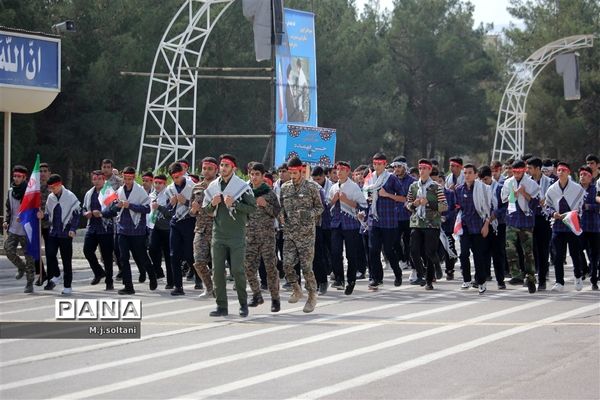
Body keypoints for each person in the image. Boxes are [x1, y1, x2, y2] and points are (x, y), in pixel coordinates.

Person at [203, 154, 256, 317]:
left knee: (237, 271)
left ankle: (243, 304)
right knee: (217, 272)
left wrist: (235, 203)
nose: (223, 168)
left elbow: (252, 208)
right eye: (222, 165)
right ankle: (221, 306)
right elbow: (206, 210)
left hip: (236, 235)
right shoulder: (213, 186)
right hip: (218, 235)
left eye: (227, 165)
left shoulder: (241, 186)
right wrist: (212, 204)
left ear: (233, 168)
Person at [280, 157, 323, 312]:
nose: (292, 175)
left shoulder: (311, 187)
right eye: (290, 172)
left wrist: (308, 214)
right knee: (286, 264)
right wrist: (281, 215)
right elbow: (281, 208)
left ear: (301, 171)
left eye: (295, 172)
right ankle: (296, 288)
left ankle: (312, 295)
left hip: (306, 234)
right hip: (290, 233)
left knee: (306, 267)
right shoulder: (285, 188)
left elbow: (320, 208)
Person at [105, 167, 157, 295]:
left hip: (137, 230)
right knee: (123, 258)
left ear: (133, 178)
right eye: (125, 178)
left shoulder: (140, 191)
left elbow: (147, 209)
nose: (127, 181)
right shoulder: (120, 190)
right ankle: (128, 286)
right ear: (122, 177)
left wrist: (130, 206)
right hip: (122, 229)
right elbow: (113, 207)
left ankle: (152, 275)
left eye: (130, 178)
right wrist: (117, 206)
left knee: (142, 256)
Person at [363, 152, 406, 290]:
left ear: (385, 164)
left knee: (388, 250)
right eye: (375, 163)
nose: (377, 166)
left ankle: (398, 274)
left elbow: (403, 197)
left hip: (389, 221)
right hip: (373, 220)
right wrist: (367, 198)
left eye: (379, 164)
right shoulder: (370, 178)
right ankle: (376, 278)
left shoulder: (391, 178)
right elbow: (365, 193)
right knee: (373, 250)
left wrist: (387, 195)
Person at [244, 162, 282, 311]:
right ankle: (256, 294)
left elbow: (277, 212)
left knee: (270, 268)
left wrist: (265, 204)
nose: (254, 177)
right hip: (250, 236)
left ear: (262, 176)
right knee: (248, 267)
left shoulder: (269, 193)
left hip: (267, 236)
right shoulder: (246, 193)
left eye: (257, 174)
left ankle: (275, 299)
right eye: (252, 174)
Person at [405, 160, 448, 290]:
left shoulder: (435, 187)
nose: (422, 171)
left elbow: (444, 206)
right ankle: (422, 273)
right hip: (417, 222)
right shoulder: (413, 186)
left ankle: (431, 276)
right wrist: (414, 204)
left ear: (429, 170)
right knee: (413, 250)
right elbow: (407, 204)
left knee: (430, 252)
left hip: (431, 223)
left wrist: (428, 203)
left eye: (424, 168)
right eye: (420, 168)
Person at [328, 161, 368, 295]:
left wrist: (346, 200)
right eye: (337, 169)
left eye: (342, 169)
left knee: (351, 254)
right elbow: (328, 206)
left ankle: (351, 280)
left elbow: (363, 206)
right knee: (335, 252)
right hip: (336, 223)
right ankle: (339, 278)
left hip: (350, 223)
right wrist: (333, 200)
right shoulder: (333, 187)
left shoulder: (354, 187)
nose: (339, 172)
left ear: (348, 171)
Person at [500, 160, 540, 293]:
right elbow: (504, 199)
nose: (516, 174)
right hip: (512, 219)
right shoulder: (508, 182)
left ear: (524, 170)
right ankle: (516, 274)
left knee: (528, 252)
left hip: (526, 221)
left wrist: (523, 193)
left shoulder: (531, 183)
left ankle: (530, 278)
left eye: (519, 171)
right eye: (514, 172)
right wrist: (513, 194)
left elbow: (536, 204)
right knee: (509, 248)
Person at [545, 162, 586, 292]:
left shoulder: (577, 188)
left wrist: (573, 214)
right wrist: (553, 213)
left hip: (572, 224)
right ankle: (559, 282)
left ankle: (578, 276)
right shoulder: (552, 189)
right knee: (558, 255)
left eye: (563, 170)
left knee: (575, 253)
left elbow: (581, 206)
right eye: (558, 170)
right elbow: (547, 206)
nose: (560, 172)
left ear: (568, 172)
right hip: (558, 225)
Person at [40, 174, 81, 295]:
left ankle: (67, 286)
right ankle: (56, 274)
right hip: (53, 231)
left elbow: (76, 214)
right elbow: (48, 214)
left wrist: (73, 229)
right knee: (50, 254)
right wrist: (43, 216)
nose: (51, 190)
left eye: (53, 187)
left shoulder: (70, 196)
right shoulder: (50, 197)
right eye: (50, 188)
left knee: (66, 260)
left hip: (66, 232)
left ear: (59, 185)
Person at [455, 164, 493, 294]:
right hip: (465, 226)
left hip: (479, 226)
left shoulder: (484, 189)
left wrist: (486, 224)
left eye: (470, 172)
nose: (467, 175)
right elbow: (458, 207)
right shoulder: (459, 189)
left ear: (476, 174)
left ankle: (481, 282)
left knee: (478, 256)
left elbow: (489, 208)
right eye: (465, 173)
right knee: (463, 254)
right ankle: (466, 279)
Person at [165, 162, 195, 296]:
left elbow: (198, 206)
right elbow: (167, 210)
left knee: (189, 254)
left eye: (178, 176)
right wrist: (171, 204)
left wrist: (186, 202)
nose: (176, 179)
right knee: (174, 255)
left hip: (189, 221)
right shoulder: (169, 189)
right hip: (175, 223)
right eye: (173, 177)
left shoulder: (192, 186)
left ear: (182, 173)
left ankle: (199, 277)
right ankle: (178, 286)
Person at [3, 165, 35, 293]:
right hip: (13, 228)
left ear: (24, 177)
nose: (16, 178)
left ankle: (29, 282)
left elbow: (34, 210)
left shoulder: (30, 192)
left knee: (29, 257)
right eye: (15, 176)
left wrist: (25, 216)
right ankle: (21, 267)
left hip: (26, 229)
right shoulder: (11, 191)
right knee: (8, 250)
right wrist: (6, 220)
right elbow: (8, 208)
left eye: (19, 176)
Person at [190, 157, 219, 298]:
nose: (206, 171)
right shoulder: (197, 187)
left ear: (216, 170)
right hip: (200, 228)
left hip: (218, 229)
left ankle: (218, 288)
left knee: (217, 263)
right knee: (199, 261)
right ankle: (209, 288)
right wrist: (193, 209)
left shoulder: (221, 186)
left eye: (210, 169)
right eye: (204, 168)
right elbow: (191, 211)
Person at [82, 170, 114, 290]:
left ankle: (109, 281)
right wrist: (86, 213)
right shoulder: (89, 193)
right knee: (87, 250)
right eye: (95, 179)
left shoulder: (109, 192)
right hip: (92, 227)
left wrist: (101, 213)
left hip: (106, 228)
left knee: (107, 256)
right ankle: (99, 272)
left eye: (100, 179)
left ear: (104, 179)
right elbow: (83, 208)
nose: (97, 181)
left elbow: (114, 210)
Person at [527, 157, 553, 290]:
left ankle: (542, 279)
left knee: (543, 250)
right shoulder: (526, 182)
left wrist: (546, 201)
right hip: (529, 219)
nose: (528, 170)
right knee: (530, 250)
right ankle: (531, 277)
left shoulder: (549, 182)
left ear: (538, 168)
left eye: (530, 168)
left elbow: (555, 198)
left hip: (544, 219)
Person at [391, 157, 416, 279]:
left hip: (409, 215)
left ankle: (410, 261)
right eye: (394, 167)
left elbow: (411, 198)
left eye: (399, 167)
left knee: (409, 241)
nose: (396, 169)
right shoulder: (390, 180)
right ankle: (402, 259)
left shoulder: (412, 181)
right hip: (394, 216)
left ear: (405, 168)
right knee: (394, 240)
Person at [148, 174, 172, 286]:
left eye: (160, 183)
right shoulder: (152, 195)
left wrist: (160, 207)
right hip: (155, 227)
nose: (157, 185)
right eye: (156, 183)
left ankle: (170, 281)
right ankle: (158, 271)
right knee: (152, 250)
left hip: (167, 228)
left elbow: (170, 213)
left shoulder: (168, 195)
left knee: (168, 255)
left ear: (165, 184)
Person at [578, 166, 599, 290]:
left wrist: (588, 206)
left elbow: (598, 207)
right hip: (579, 226)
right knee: (578, 250)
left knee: (594, 254)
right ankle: (584, 268)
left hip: (594, 226)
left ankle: (594, 279)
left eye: (585, 174)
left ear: (590, 177)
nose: (582, 176)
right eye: (581, 174)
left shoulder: (595, 190)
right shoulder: (575, 189)